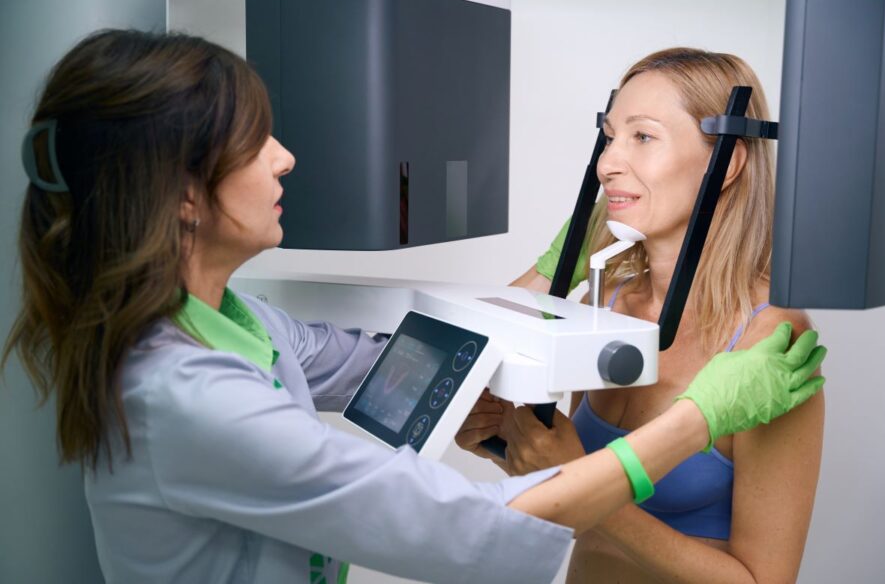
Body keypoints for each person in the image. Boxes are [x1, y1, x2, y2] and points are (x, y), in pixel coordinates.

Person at [3, 31, 825, 584]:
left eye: (640, 137)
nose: (287, 159)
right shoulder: (186, 396)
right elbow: (452, 523)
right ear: (183, 195)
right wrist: (677, 427)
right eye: (257, 142)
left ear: (733, 160)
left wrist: (534, 296)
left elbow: (425, 360)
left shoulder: (244, 327)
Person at [457, 48, 825, 583]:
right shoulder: (605, 304)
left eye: (643, 136)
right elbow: (564, 494)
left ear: (728, 162)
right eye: (609, 136)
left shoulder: (769, 342)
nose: (608, 162)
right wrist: (504, 447)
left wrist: (577, 484)